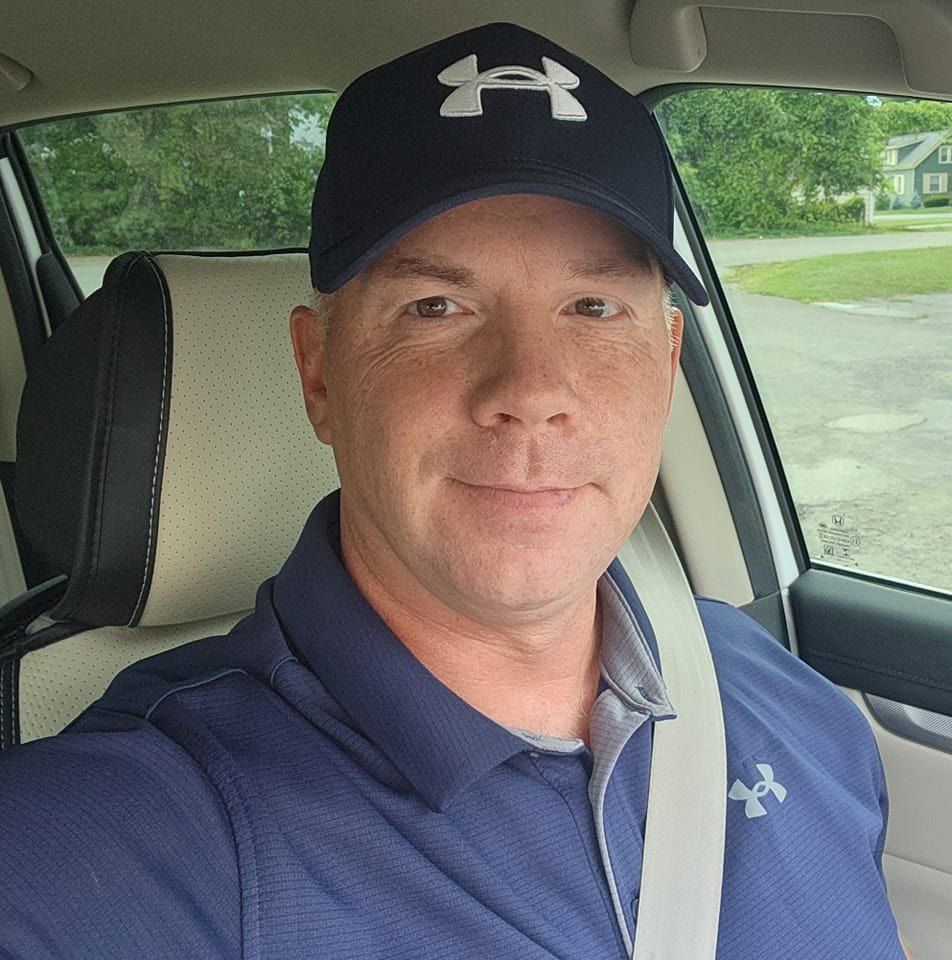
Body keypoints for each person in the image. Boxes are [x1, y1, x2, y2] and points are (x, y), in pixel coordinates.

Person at [0, 21, 909, 960]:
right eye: (436, 307)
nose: (529, 391)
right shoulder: (136, 833)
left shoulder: (790, 706)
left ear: (668, 362)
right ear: (321, 377)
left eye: (593, 307)